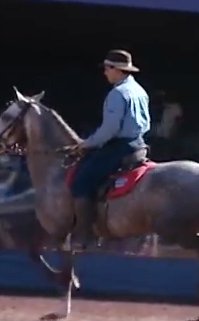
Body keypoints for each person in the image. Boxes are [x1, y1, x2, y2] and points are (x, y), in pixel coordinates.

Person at [68, 49, 151, 249]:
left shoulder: (117, 93)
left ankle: (84, 234)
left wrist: (86, 143)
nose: (104, 72)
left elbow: (110, 129)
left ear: (117, 70)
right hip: (139, 143)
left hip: (120, 146)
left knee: (80, 181)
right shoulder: (139, 90)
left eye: (107, 68)